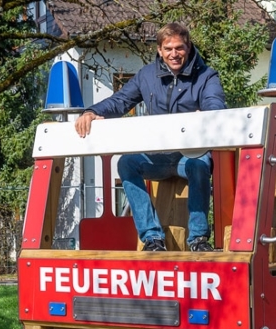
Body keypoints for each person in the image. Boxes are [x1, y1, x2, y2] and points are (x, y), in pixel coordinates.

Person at [75, 23, 226, 252]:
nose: (174, 54)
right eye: (168, 49)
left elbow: (215, 106)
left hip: (189, 156)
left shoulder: (206, 76)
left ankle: (198, 239)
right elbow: (121, 101)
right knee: (127, 163)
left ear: (188, 47)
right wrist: (92, 111)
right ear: (159, 50)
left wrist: (207, 115)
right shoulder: (147, 76)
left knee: (199, 164)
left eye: (179, 48)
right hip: (158, 157)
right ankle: (152, 238)